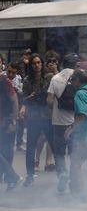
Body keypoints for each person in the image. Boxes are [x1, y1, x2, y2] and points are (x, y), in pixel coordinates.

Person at [46, 53, 79, 193]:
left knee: (59, 153)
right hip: (75, 123)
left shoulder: (55, 78)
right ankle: (73, 180)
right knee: (74, 153)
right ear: (75, 65)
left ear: (63, 64)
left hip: (58, 122)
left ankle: (62, 175)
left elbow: (49, 100)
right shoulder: (79, 78)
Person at [21, 54, 54, 186]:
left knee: (53, 145)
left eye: (38, 62)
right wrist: (30, 98)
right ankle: (29, 175)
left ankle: (62, 174)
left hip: (47, 116)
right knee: (30, 147)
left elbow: (59, 85)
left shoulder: (49, 77)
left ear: (42, 63)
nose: (36, 65)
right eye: (34, 63)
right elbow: (23, 99)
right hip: (34, 117)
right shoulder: (27, 80)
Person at [0, 72, 21, 190]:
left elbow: (15, 100)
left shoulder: (5, 82)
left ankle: (11, 177)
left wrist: (13, 121)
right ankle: (11, 177)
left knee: (6, 151)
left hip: (4, 122)